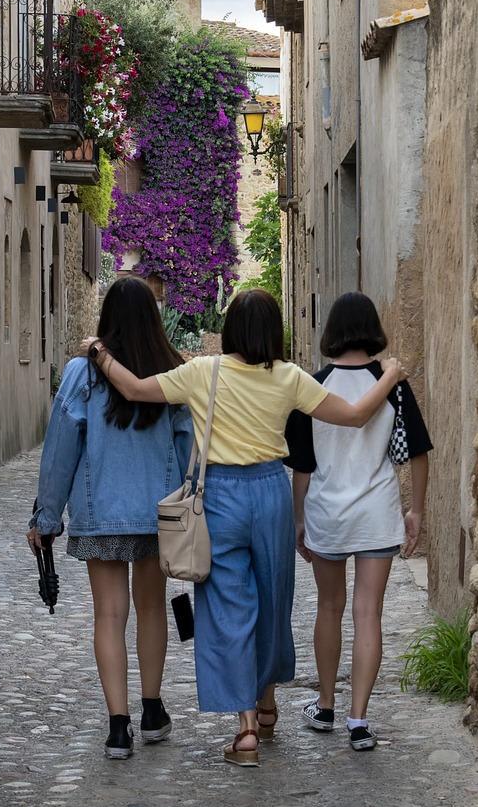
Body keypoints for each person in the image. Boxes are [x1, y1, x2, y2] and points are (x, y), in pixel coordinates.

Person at [82, 288, 407, 768]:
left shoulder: (202, 372)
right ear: (275, 332)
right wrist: (392, 376)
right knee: (272, 598)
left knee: (228, 608)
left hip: (220, 497)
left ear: (230, 328)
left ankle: (247, 727)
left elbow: (133, 388)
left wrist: (98, 353)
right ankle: (269, 698)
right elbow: (357, 416)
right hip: (270, 492)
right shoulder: (288, 378)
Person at [28, 277, 193, 761]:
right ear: (153, 320)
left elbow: (60, 450)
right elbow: (187, 449)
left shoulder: (83, 374)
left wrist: (47, 516)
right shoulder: (172, 373)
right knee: (151, 609)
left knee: (109, 614)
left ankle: (118, 728)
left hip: (101, 514)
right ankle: (153, 710)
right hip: (157, 515)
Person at [285, 291, 432, 751]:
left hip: (328, 511)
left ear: (332, 331)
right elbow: (417, 454)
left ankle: (325, 706)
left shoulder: (313, 385)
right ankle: (359, 720)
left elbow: (302, 466)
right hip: (376, 512)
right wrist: (417, 510)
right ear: (372, 330)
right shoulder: (392, 384)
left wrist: (298, 519)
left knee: (329, 607)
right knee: (369, 612)